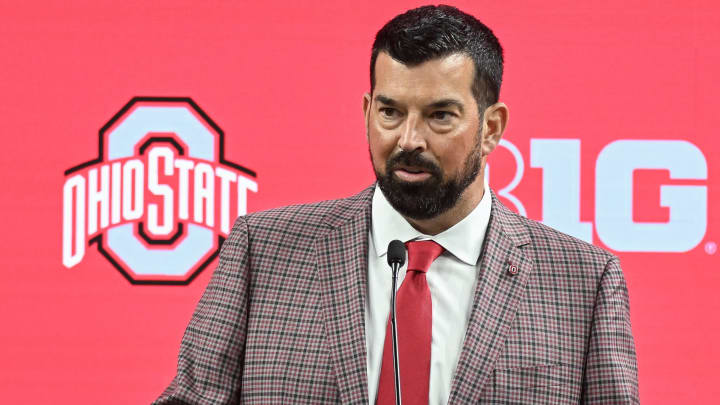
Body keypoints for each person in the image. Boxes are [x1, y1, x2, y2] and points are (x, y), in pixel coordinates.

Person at [154, 5, 639, 404]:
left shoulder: (584, 283)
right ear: (367, 112)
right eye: (390, 112)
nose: (408, 140)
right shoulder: (264, 251)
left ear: (491, 128)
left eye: (439, 116)